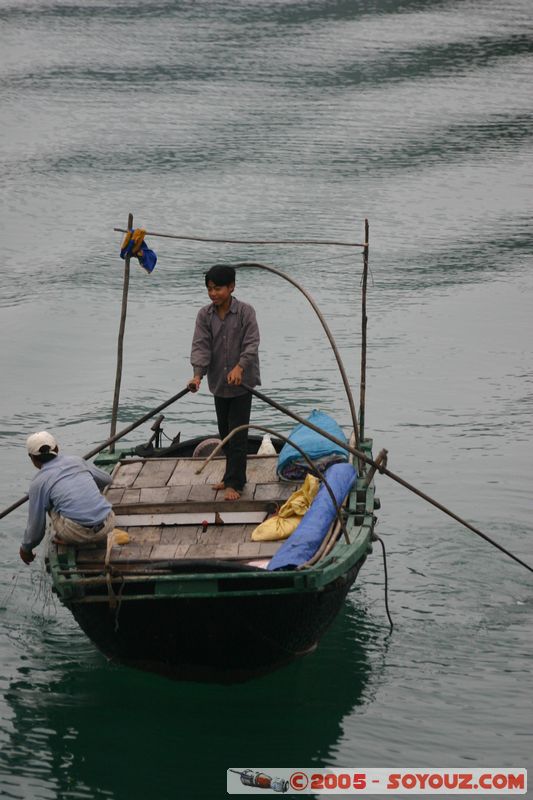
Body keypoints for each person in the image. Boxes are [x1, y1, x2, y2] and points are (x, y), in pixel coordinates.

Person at [188, 264, 260, 501]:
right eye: (209, 289)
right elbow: (201, 346)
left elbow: (251, 344)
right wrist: (198, 375)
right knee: (225, 433)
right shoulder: (204, 315)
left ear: (231, 287)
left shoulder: (245, 312)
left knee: (238, 434)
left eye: (217, 289)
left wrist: (240, 367)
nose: (213, 294)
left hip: (242, 385)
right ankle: (231, 475)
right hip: (219, 382)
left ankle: (235, 484)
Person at [19, 431, 116, 565]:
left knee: (49, 505)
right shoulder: (77, 461)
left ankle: (67, 537)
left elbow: (36, 529)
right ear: (57, 449)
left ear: (33, 459)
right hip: (108, 524)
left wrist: (25, 549)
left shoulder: (38, 483)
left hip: (76, 534)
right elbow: (106, 479)